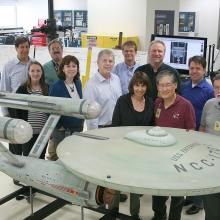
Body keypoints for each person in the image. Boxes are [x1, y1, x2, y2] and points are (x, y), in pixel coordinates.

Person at [152, 70, 196, 220]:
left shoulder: (186, 105)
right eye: (161, 85)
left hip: (179, 158)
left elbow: (191, 133)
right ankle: (159, 216)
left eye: (168, 85)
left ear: (175, 85)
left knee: (177, 197)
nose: (164, 89)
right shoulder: (157, 103)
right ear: (157, 87)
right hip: (158, 158)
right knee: (157, 194)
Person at [112, 71, 154, 220]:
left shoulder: (150, 102)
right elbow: (115, 125)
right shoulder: (122, 101)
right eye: (137, 85)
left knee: (135, 182)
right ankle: (112, 210)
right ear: (132, 86)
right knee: (117, 182)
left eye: (143, 86)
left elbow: (151, 126)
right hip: (122, 149)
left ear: (147, 87)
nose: (140, 89)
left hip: (140, 151)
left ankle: (134, 213)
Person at [181, 56, 214, 215]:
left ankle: (199, 202)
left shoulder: (209, 90)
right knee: (186, 167)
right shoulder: (184, 86)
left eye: (198, 68)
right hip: (185, 133)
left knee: (198, 168)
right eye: (192, 67)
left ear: (204, 70)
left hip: (200, 134)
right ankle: (190, 196)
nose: (194, 71)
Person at [0, 36, 32, 157]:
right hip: (14, 110)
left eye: (27, 47)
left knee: (29, 143)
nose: (25, 49)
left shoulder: (34, 64)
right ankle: (16, 175)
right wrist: (5, 113)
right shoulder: (9, 66)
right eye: (22, 47)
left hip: (30, 109)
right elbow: (4, 90)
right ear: (16, 48)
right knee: (15, 147)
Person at [49, 55, 84, 158]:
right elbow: (49, 108)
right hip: (62, 131)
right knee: (60, 157)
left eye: (74, 66)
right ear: (63, 69)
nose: (71, 68)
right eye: (68, 66)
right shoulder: (56, 86)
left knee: (73, 157)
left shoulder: (78, 83)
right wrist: (59, 126)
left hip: (76, 128)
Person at [15, 61, 48, 159]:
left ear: (42, 73)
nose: (35, 73)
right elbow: (17, 111)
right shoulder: (22, 89)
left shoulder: (47, 88)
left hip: (43, 133)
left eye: (38, 71)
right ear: (28, 73)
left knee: (41, 158)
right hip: (27, 133)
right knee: (27, 159)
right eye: (32, 71)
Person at [83, 49, 122, 130]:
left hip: (116, 126)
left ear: (114, 64)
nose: (108, 63)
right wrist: (95, 133)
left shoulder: (116, 79)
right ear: (98, 63)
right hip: (101, 128)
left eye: (110, 61)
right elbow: (90, 114)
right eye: (104, 61)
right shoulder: (91, 85)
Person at [200, 73, 220, 220]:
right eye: (217, 88)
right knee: (211, 210)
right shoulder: (209, 104)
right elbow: (202, 128)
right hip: (209, 164)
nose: (219, 91)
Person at [43, 39, 63, 160]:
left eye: (58, 48)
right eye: (53, 49)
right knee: (53, 145)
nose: (56, 51)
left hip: (68, 110)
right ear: (49, 52)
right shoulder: (45, 68)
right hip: (52, 110)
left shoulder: (70, 65)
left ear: (62, 49)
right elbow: (44, 92)